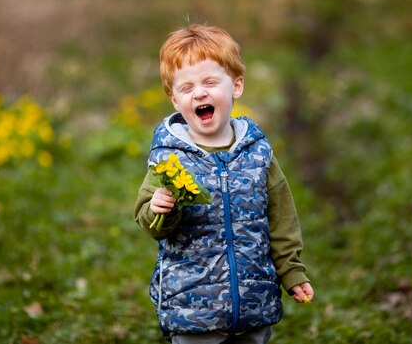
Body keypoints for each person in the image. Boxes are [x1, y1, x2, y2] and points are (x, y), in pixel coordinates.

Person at [134, 24, 314, 344]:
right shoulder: (168, 159)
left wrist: (291, 270)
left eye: (209, 82)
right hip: (191, 310)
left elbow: (281, 217)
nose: (199, 93)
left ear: (237, 86)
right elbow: (151, 221)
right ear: (175, 99)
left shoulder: (258, 153)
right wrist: (160, 208)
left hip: (252, 303)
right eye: (187, 87)